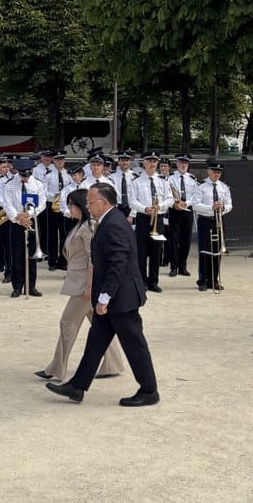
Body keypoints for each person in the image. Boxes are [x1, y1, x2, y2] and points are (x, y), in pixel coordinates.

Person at [45, 183, 159, 407]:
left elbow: (118, 264)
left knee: (134, 344)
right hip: (113, 295)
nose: (87, 206)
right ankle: (77, 386)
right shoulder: (108, 220)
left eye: (90, 202)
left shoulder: (114, 223)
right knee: (96, 342)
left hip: (121, 298)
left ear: (104, 202)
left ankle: (149, 390)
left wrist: (105, 297)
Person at [34, 190, 125, 382]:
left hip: (84, 285)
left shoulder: (88, 227)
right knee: (101, 327)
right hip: (81, 282)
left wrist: (90, 286)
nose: (69, 209)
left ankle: (57, 368)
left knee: (67, 323)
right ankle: (113, 363)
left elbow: (93, 259)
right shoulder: (80, 225)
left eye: (71, 205)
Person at [2, 158, 46, 298]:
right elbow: (7, 204)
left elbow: (42, 203)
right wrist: (18, 218)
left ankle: (31, 286)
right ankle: (17, 286)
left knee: (32, 255)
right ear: (18, 172)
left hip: (32, 221)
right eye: (23, 175)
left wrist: (28, 214)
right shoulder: (9, 184)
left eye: (27, 175)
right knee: (17, 255)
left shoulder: (38, 184)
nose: (25, 178)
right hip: (16, 223)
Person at [129, 151, 170, 292]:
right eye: (149, 161)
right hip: (143, 218)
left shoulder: (163, 181)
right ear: (144, 163)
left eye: (154, 161)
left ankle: (153, 282)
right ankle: (142, 282)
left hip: (158, 219)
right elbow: (132, 201)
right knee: (141, 252)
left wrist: (160, 206)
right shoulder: (136, 182)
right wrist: (144, 208)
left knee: (156, 252)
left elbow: (170, 199)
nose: (152, 164)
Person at [194, 159, 233, 292]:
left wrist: (223, 208)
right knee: (205, 251)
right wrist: (211, 207)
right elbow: (195, 205)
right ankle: (203, 281)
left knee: (217, 252)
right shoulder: (201, 186)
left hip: (219, 220)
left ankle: (214, 280)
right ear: (208, 171)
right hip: (205, 220)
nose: (216, 174)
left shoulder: (224, 187)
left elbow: (229, 204)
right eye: (214, 172)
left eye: (219, 172)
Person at [167, 153, 198, 277]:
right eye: (181, 163)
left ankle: (182, 266)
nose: (183, 165)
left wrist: (186, 203)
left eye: (185, 163)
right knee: (173, 240)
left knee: (186, 240)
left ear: (188, 164)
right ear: (177, 164)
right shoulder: (170, 178)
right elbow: (167, 193)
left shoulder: (192, 179)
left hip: (187, 211)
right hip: (174, 211)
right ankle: (173, 267)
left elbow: (195, 196)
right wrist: (174, 204)